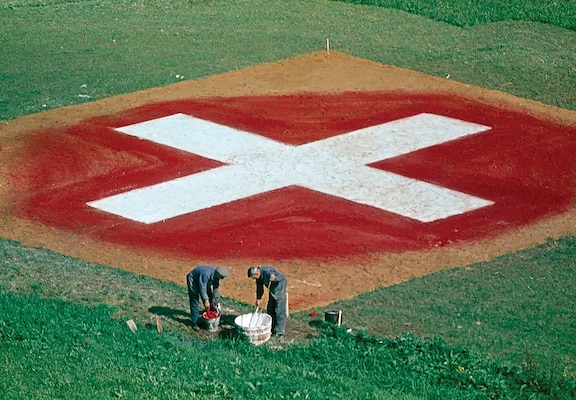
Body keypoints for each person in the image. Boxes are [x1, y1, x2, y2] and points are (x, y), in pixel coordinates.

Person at [247, 265, 287, 338]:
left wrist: (275, 278)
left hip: (279, 288)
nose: (254, 279)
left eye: (253, 277)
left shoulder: (267, 271)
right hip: (272, 289)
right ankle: (271, 327)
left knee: (279, 310)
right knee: (270, 309)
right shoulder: (258, 277)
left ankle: (279, 331)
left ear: (256, 274)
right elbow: (259, 288)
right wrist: (258, 299)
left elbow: (282, 277)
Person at [186, 265, 229, 331]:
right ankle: (194, 322)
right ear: (218, 274)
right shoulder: (206, 274)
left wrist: (215, 301)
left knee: (210, 297)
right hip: (193, 280)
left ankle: (210, 316)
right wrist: (206, 300)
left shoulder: (216, 276)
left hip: (204, 283)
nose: (222, 279)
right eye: (222, 277)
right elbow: (202, 288)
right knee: (194, 301)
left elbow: (215, 289)